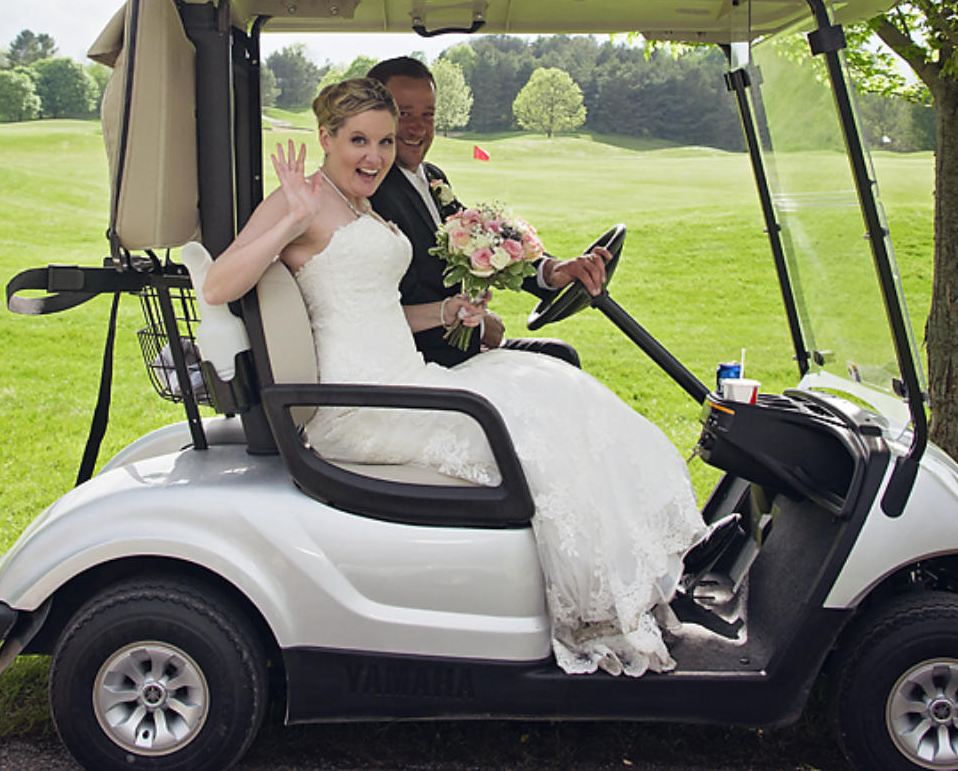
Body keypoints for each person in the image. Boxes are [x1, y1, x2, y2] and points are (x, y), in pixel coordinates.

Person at [202, 78, 706, 676]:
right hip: (363, 406)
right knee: (535, 425)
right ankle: (596, 606)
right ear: (326, 138)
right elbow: (217, 285)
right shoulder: (300, 201)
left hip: (404, 376)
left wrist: (446, 313)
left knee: (554, 385)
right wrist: (290, 220)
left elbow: (375, 311)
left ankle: (628, 587)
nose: (376, 155)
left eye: (385, 141)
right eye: (359, 140)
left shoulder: (364, 203)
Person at [366, 56, 612, 369]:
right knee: (560, 363)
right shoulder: (376, 194)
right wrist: (480, 326)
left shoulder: (431, 176)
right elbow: (401, 301)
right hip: (428, 363)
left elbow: (488, 240)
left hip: (462, 346)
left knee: (561, 355)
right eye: (404, 114)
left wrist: (551, 271)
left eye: (428, 114)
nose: (418, 127)